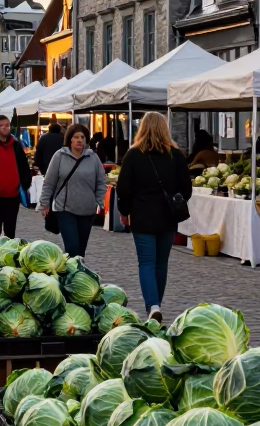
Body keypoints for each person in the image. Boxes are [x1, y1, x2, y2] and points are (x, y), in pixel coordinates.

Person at [115, 112, 192, 323]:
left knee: (146, 263)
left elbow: (123, 188)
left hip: (142, 216)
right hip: (167, 217)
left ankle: (153, 305)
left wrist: (124, 211)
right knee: (161, 263)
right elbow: (187, 188)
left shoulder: (133, 155)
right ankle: (156, 303)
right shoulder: (175, 155)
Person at [40, 123, 107, 258]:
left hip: (87, 210)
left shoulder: (93, 158)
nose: (79, 140)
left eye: (82, 137)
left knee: (81, 251)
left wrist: (98, 200)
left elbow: (101, 181)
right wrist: (44, 202)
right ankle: (70, 274)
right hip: (65, 209)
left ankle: (77, 276)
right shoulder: (59, 156)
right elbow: (49, 181)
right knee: (72, 247)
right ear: (70, 139)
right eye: (76, 137)